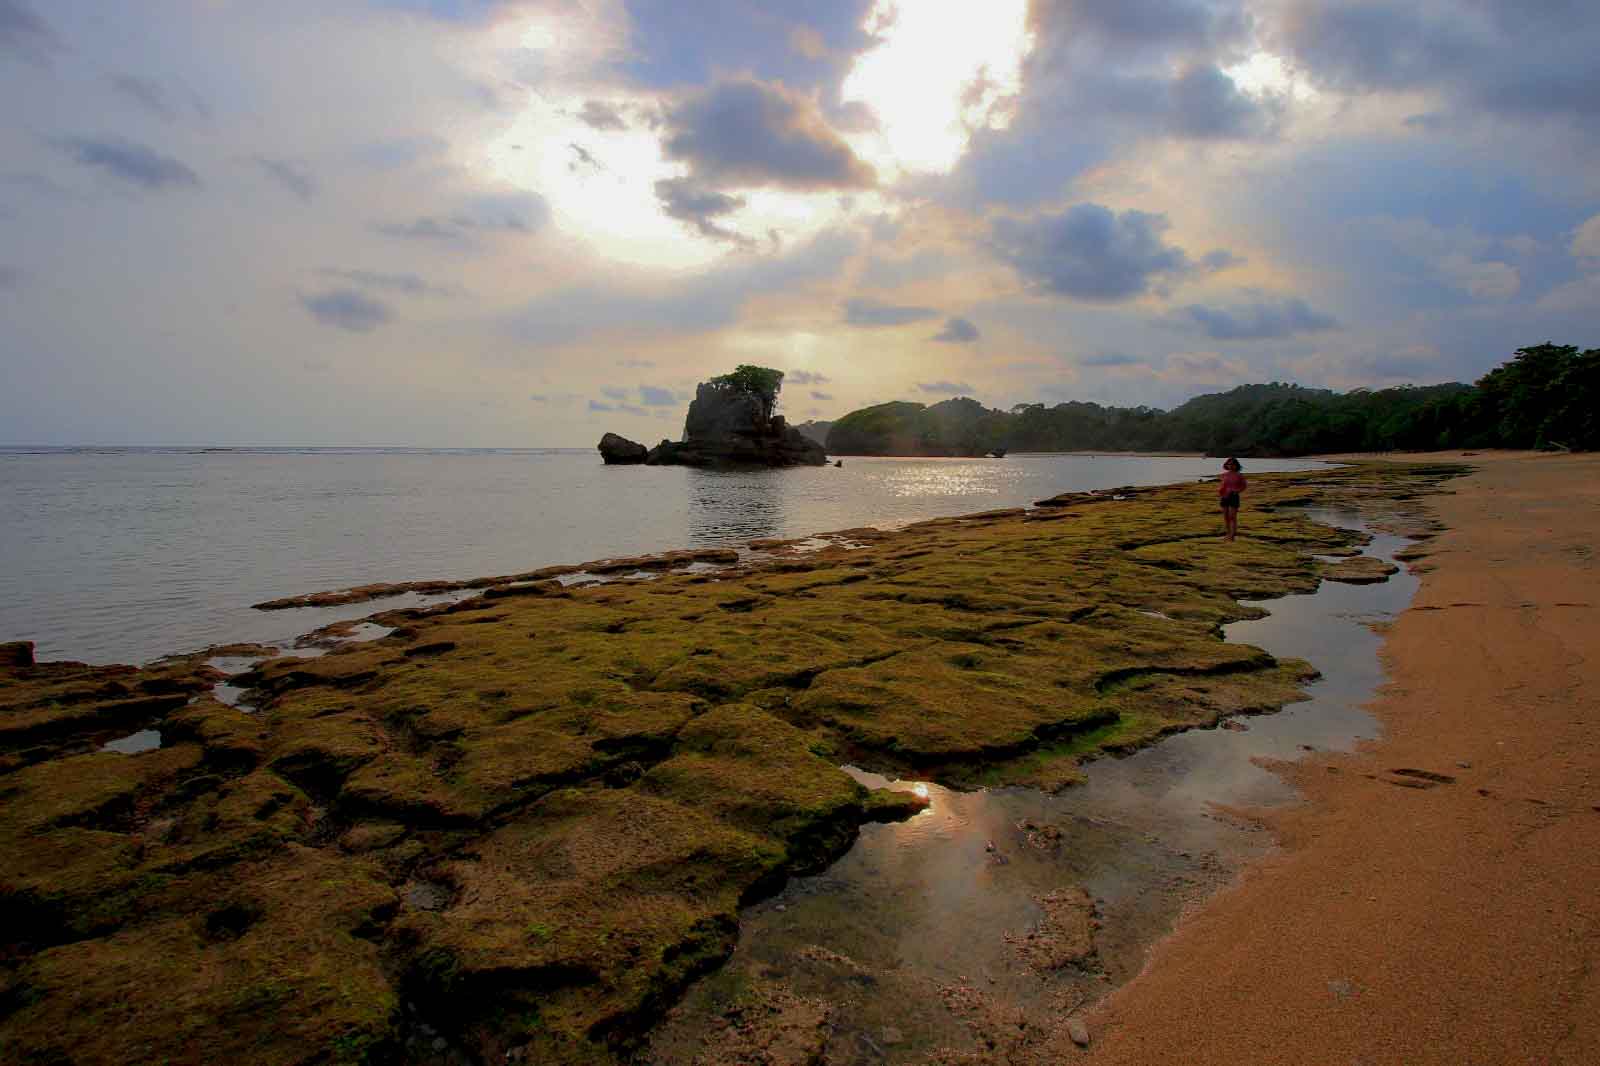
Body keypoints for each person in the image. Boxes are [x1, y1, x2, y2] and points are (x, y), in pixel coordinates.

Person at [1218, 457, 1246, 542]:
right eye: (1229, 464)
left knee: (1232, 517)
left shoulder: (1239, 475)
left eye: (1233, 464)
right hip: (1224, 496)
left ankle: (1232, 536)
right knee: (1226, 517)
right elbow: (1223, 486)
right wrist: (1220, 490)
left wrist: (1236, 491)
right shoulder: (1224, 475)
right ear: (1226, 465)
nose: (1231, 466)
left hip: (1234, 496)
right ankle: (1228, 534)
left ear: (1236, 465)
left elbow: (1244, 486)